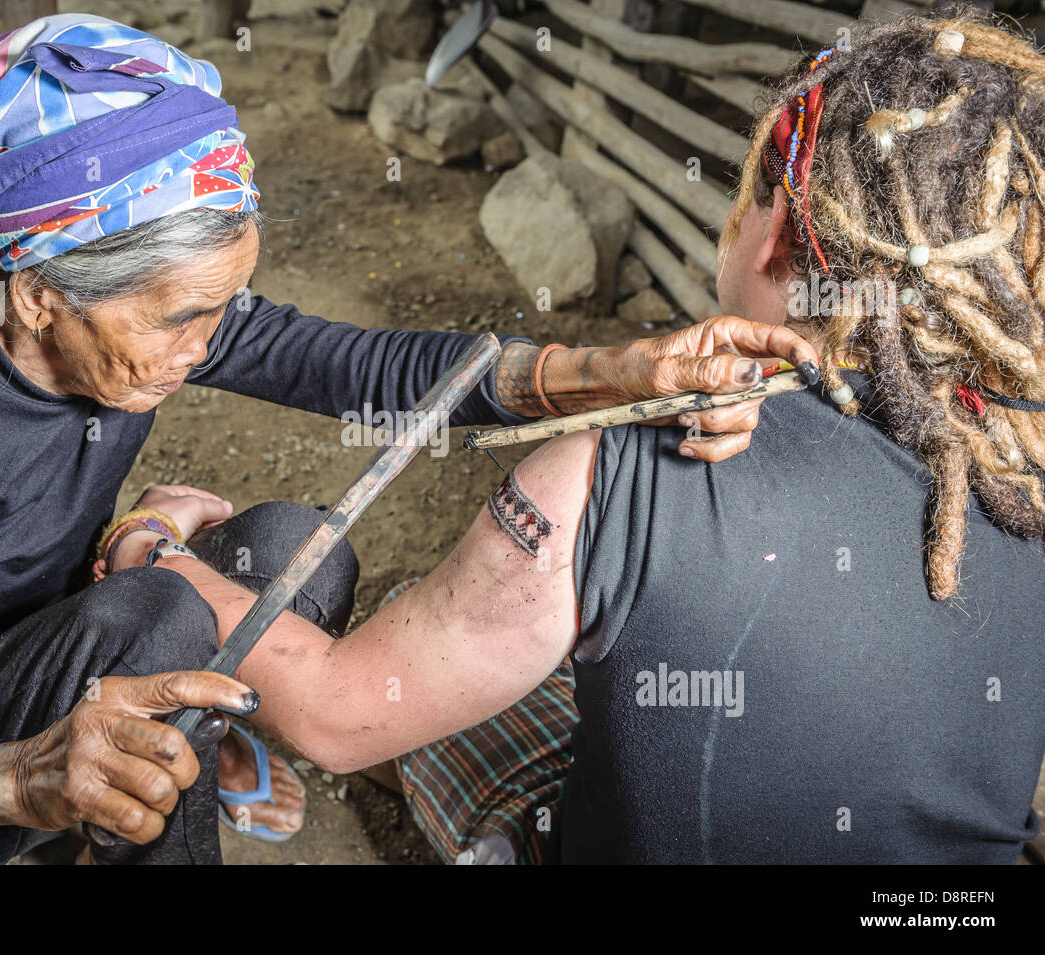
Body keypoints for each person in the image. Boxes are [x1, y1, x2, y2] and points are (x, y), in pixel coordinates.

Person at [0, 14, 800, 864]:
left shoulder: (143, 309)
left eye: (224, 312)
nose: (204, 348)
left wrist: (607, 370)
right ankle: (115, 800)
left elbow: (362, 367)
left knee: (300, 544)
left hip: (54, 630)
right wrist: (10, 779)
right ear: (33, 294)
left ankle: (174, 747)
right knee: (160, 614)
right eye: (180, 321)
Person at [380, 11, 1045, 863]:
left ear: (772, 230)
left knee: (469, 691)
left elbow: (335, 710)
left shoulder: (631, 465)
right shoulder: (1014, 474)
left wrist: (175, 552)